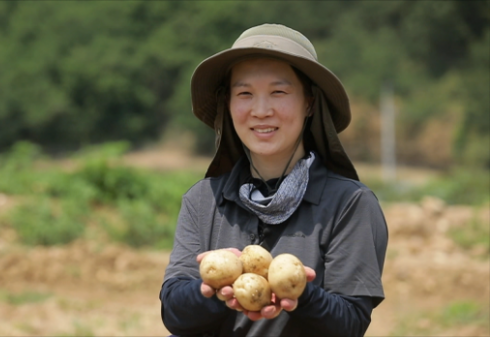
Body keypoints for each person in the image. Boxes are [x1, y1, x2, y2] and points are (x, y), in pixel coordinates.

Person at [159, 23, 388, 336]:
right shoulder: (203, 200)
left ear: (309, 102)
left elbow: (349, 323)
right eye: (245, 94)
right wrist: (215, 288)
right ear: (228, 103)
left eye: (278, 92)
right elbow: (173, 312)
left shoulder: (350, 204)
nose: (261, 110)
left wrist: (299, 293)